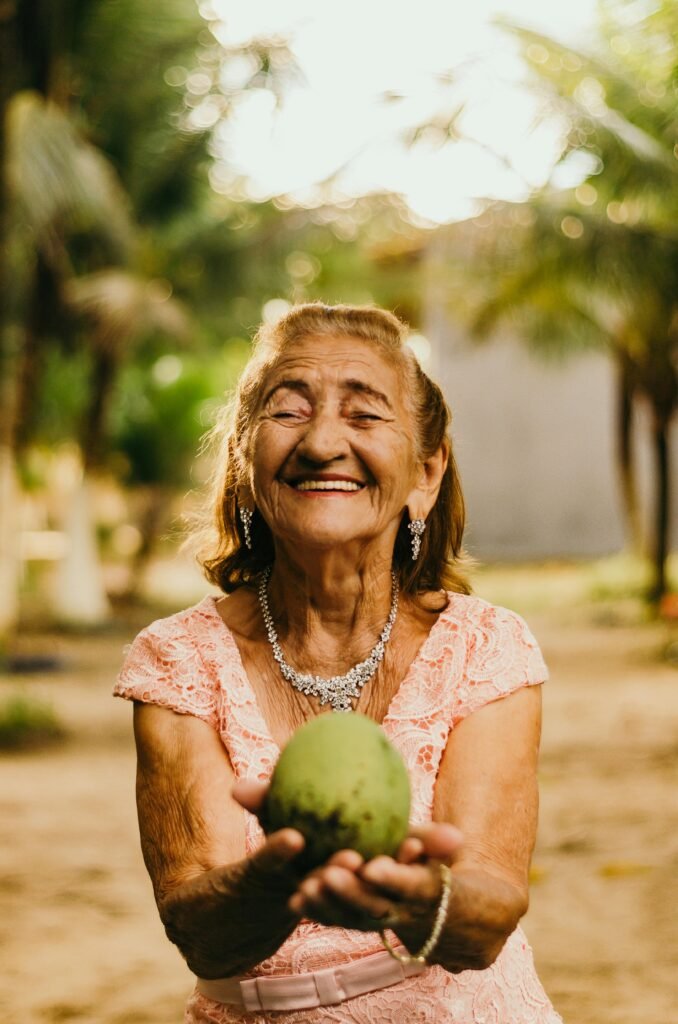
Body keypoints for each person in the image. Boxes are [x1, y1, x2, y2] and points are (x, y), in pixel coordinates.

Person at [114, 302, 563, 1023]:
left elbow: (488, 915)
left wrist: (416, 898)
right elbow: (199, 932)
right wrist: (283, 876)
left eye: (364, 416)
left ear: (426, 472)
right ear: (243, 458)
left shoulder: (485, 649)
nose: (323, 442)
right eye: (289, 411)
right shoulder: (178, 661)